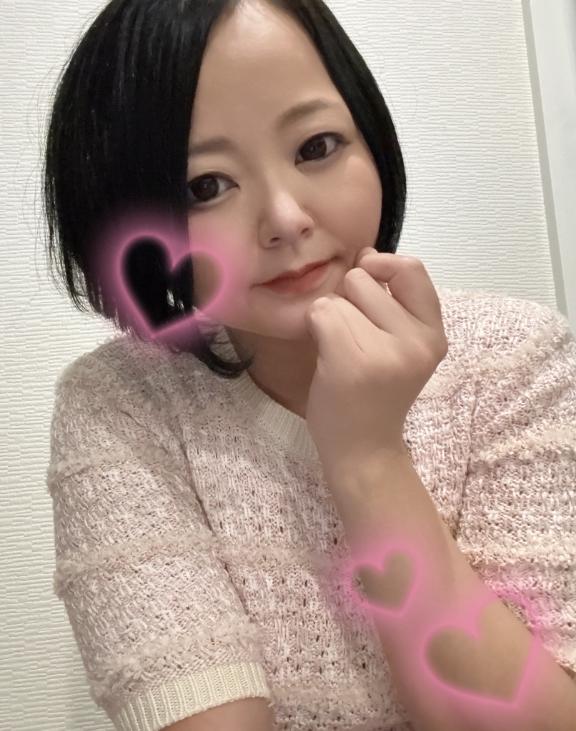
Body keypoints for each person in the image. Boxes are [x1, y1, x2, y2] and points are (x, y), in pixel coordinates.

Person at [44, 1, 576, 729]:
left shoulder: (516, 358)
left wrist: (368, 457)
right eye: (205, 186)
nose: (286, 218)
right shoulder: (122, 405)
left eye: (316, 146)